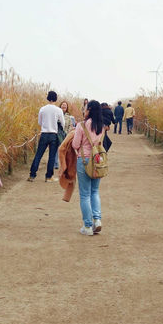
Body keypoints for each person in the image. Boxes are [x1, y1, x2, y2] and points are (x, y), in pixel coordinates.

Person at [73, 100, 106, 235]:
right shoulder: (101, 126)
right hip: (98, 160)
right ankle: (97, 220)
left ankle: (87, 226)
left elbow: (75, 144)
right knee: (95, 191)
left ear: (90, 109)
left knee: (85, 194)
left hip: (84, 160)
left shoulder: (82, 125)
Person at [28, 90, 65, 182]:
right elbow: (63, 123)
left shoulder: (42, 109)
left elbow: (39, 122)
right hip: (54, 135)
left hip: (44, 133)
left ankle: (32, 175)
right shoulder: (58, 110)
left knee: (38, 155)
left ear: (48, 98)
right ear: (56, 98)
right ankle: (49, 177)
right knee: (52, 156)